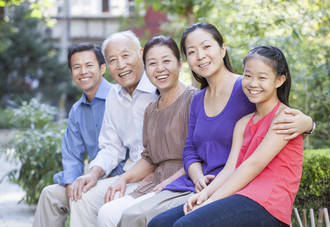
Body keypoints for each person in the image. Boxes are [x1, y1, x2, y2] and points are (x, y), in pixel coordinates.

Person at [119, 22, 314, 227]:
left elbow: (252, 165)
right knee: (159, 223)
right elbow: (230, 168)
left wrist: (309, 123)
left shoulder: (279, 114)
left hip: (265, 200)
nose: (253, 83)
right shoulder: (241, 123)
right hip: (234, 189)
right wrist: (205, 194)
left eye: (261, 78)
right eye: (248, 75)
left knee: (184, 225)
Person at [96, 36, 198, 226]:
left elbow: (201, 154)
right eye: (152, 63)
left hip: (185, 181)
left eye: (166, 61)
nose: (159, 68)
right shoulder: (151, 109)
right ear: (146, 68)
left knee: (131, 216)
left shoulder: (195, 100)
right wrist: (124, 179)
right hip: (156, 179)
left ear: (180, 64)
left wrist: (170, 180)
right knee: (107, 213)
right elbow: (149, 157)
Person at [68, 31, 159, 226]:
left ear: (142, 54)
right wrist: (93, 173)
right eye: (113, 60)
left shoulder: (159, 88)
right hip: (130, 174)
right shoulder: (113, 97)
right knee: (81, 197)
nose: (120, 64)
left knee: (110, 212)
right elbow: (111, 147)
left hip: (159, 176)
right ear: (107, 67)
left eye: (126, 55)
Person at [33, 43, 114, 227]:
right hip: (93, 180)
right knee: (51, 195)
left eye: (89, 65)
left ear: (102, 68)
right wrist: (71, 182)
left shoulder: (118, 97)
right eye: (77, 67)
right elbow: (71, 153)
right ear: (72, 73)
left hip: (122, 178)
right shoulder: (77, 111)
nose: (83, 71)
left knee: (82, 197)